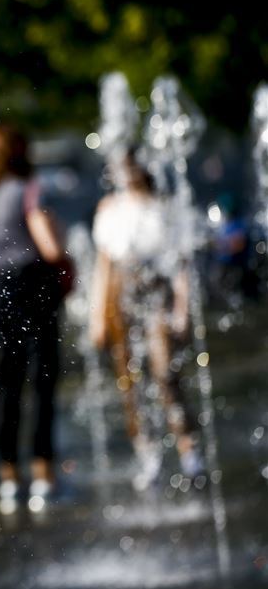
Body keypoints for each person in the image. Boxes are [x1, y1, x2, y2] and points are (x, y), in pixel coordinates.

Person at [0, 124, 66, 514]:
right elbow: (50, 247)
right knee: (42, 380)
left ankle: (8, 475)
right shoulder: (29, 190)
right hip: (33, 286)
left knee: (5, 383)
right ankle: (43, 472)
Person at [90, 150, 202, 490]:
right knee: (130, 376)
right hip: (121, 292)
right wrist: (97, 314)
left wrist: (181, 307)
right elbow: (104, 264)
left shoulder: (163, 207)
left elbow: (181, 261)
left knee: (165, 369)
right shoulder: (110, 209)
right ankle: (148, 452)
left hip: (157, 291)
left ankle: (188, 447)